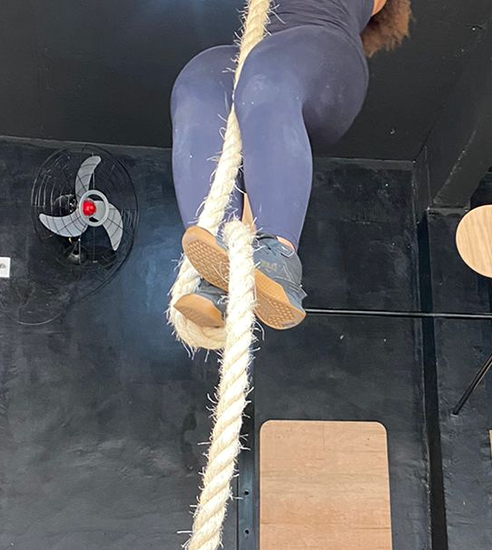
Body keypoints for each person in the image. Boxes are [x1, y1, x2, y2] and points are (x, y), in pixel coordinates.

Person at [170, 0, 411, 330]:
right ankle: (220, 265)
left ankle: (278, 258)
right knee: (200, 80)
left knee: (268, 74)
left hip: (325, 55)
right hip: (261, 57)